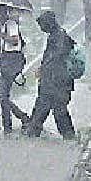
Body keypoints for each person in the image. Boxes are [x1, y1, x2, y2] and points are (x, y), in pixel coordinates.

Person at [25, 10, 77, 141]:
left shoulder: (59, 36)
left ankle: (68, 136)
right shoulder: (57, 34)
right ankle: (33, 131)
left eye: (42, 25)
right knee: (46, 106)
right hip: (54, 79)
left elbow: (56, 57)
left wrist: (43, 69)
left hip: (58, 80)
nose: (41, 28)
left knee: (55, 108)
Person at [0, 9, 31, 135]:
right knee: (2, 95)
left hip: (11, 61)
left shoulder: (11, 25)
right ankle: (21, 118)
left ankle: (9, 126)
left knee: (1, 95)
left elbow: (15, 40)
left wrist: (2, 36)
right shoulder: (6, 24)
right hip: (8, 60)